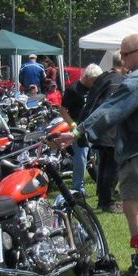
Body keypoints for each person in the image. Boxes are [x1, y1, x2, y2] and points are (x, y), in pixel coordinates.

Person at [60, 34, 138, 239]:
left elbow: (111, 109)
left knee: (132, 208)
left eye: (125, 54)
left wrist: (79, 132)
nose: (122, 59)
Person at [81, 53, 128, 213]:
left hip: (99, 129)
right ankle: (108, 201)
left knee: (103, 166)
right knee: (111, 167)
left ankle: (103, 197)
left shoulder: (104, 77)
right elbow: (110, 106)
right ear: (124, 63)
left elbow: (91, 103)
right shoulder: (118, 81)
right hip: (110, 129)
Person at [59, 63, 102, 195]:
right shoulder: (73, 89)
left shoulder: (94, 88)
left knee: (96, 156)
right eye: (94, 81)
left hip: (93, 127)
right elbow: (63, 109)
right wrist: (72, 124)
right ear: (88, 77)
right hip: (78, 129)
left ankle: (103, 185)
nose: (95, 83)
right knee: (81, 158)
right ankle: (78, 188)